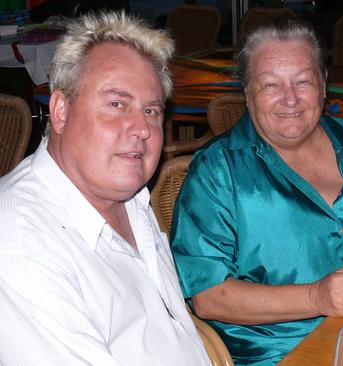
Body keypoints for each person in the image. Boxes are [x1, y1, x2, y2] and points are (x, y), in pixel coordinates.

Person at [171, 17, 343, 365]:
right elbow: (208, 295)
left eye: (303, 81)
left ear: (323, 86)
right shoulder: (219, 171)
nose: (290, 99)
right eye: (270, 85)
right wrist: (316, 297)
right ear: (247, 92)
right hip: (283, 355)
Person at [0, 12, 210, 365]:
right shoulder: (20, 245)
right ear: (61, 111)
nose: (141, 128)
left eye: (151, 110)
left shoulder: (129, 200)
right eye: (117, 104)